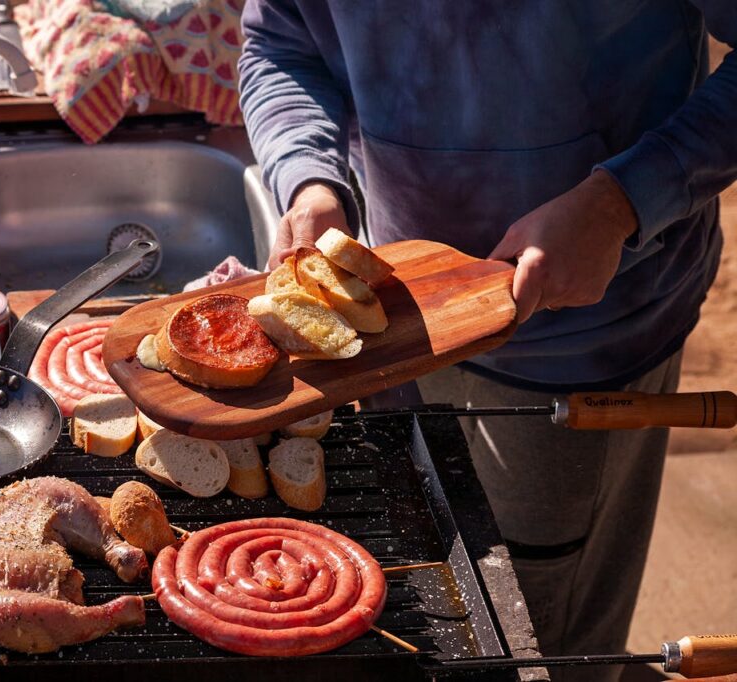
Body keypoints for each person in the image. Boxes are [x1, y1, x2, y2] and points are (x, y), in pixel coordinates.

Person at [237, 3, 736, 680]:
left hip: (586, 340)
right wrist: (309, 179)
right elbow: (280, 43)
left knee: (546, 648)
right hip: (395, 323)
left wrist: (622, 201)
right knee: (433, 608)